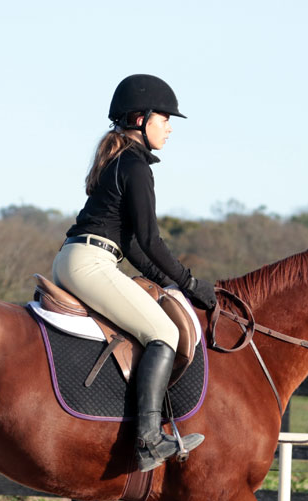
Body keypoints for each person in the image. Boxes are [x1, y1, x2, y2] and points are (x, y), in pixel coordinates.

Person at [52, 74, 217, 473]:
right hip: (90, 262)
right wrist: (191, 283)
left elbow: (132, 247)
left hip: (80, 258)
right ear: (141, 119)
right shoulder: (136, 166)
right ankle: (147, 439)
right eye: (165, 118)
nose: (170, 127)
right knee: (165, 333)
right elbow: (151, 239)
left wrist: (170, 283)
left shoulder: (121, 159)